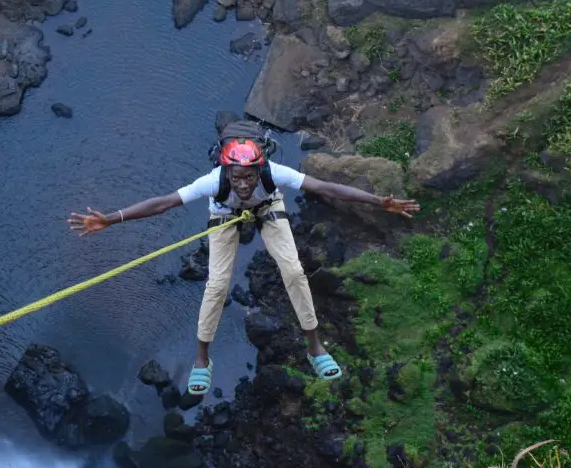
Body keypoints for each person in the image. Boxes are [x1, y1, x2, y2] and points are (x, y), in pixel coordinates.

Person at [67, 135, 420, 396]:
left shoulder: (272, 173)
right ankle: (202, 359)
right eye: (237, 177)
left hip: (268, 211)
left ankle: (315, 347)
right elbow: (163, 204)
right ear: (226, 170)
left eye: (249, 177)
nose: (244, 183)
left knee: (294, 271)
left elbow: (325, 187)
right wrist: (111, 220)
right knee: (217, 284)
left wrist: (378, 202)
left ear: (259, 169)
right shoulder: (214, 182)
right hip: (224, 216)